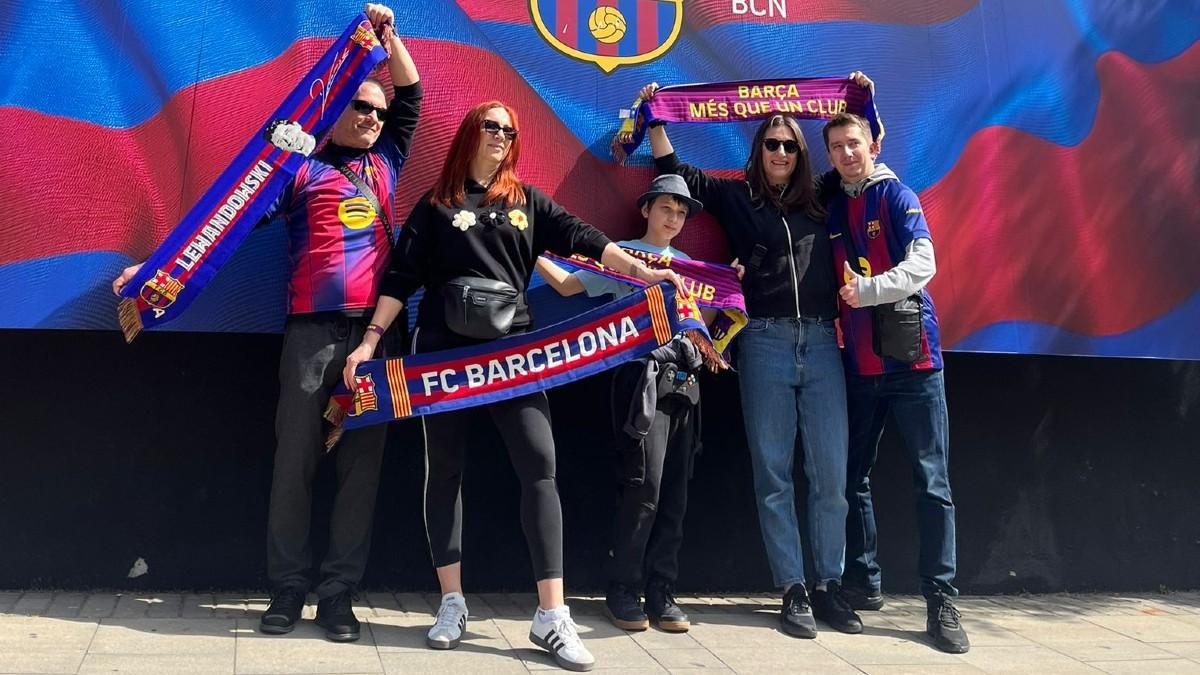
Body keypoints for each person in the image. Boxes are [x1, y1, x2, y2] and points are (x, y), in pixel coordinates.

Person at [110, 3, 421, 643]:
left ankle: (338, 597)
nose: (371, 118)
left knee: (361, 471)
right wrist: (155, 267)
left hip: (378, 339)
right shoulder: (295, 171)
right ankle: (286, 591)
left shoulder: (388, 161)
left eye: (378, 111)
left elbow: (411, 92)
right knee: (294, 465)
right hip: (308, 335)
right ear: (331, 107)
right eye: (360, 106)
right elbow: (224, 226)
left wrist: (386, 39)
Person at [343, 100, 685, 671]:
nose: (502, 136)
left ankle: (551, 614)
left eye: (509, 129)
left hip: (513, 354)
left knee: (540, 466)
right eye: (491, 126)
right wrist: (371, 341)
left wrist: (644, 272)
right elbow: (400, 279)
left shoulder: (526, 201)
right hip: (444, 357)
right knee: (445, 470)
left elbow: (584, 237)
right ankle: (451, 602)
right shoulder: (434, 206)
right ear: (469, 133)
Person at [632, 82, 863, 637]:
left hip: (822, 344)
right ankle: (794, 589)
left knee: (830, 475)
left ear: (802, 155)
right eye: (771, 145)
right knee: (774, 474)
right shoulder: (737, 198)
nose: (780, 153)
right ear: (757, 152)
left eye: (789, 146)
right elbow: (679, 173)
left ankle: (829, 585)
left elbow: (860, 151)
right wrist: (656, 113)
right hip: (762, 342)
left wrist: (862, 101)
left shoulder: (822, 196)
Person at [535, 174, 730, 634]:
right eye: (666, 208)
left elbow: (709, 328)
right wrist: (533, 247)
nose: (674, 218)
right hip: (640, 381)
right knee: (644, 488)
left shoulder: (690, 266)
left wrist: (729, 289)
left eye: (682, 212)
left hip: (687, 385)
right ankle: (623, 588)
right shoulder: (621, 256)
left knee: (676, 495)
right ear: (646, 209)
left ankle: (662, 591)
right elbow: (566, 287)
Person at [822, 112, 969, 653]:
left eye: (853, 143)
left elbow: (925, 261)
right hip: (860, 365)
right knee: (851, 477)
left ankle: (941, 599)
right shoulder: (833, 204)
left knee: (932, 483)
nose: (845, 154)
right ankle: (864, 580)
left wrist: (871, 289)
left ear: (873, 144)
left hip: (915, 366)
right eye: (835, 146)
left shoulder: (897, 195)